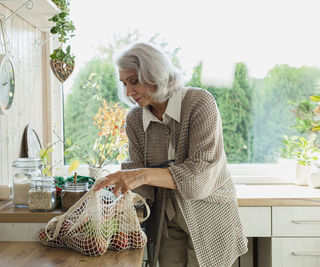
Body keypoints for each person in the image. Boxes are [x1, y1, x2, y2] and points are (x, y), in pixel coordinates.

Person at [94, 42, 248, 267]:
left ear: (154, 74)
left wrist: (143, 175)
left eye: (134, 81)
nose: (128, 92)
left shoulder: (199, 103)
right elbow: (141, 184)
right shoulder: (135, 120)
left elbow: (199, 177)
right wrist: (117, 205)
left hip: (209, 213)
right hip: (166, 219)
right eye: (124, 83)